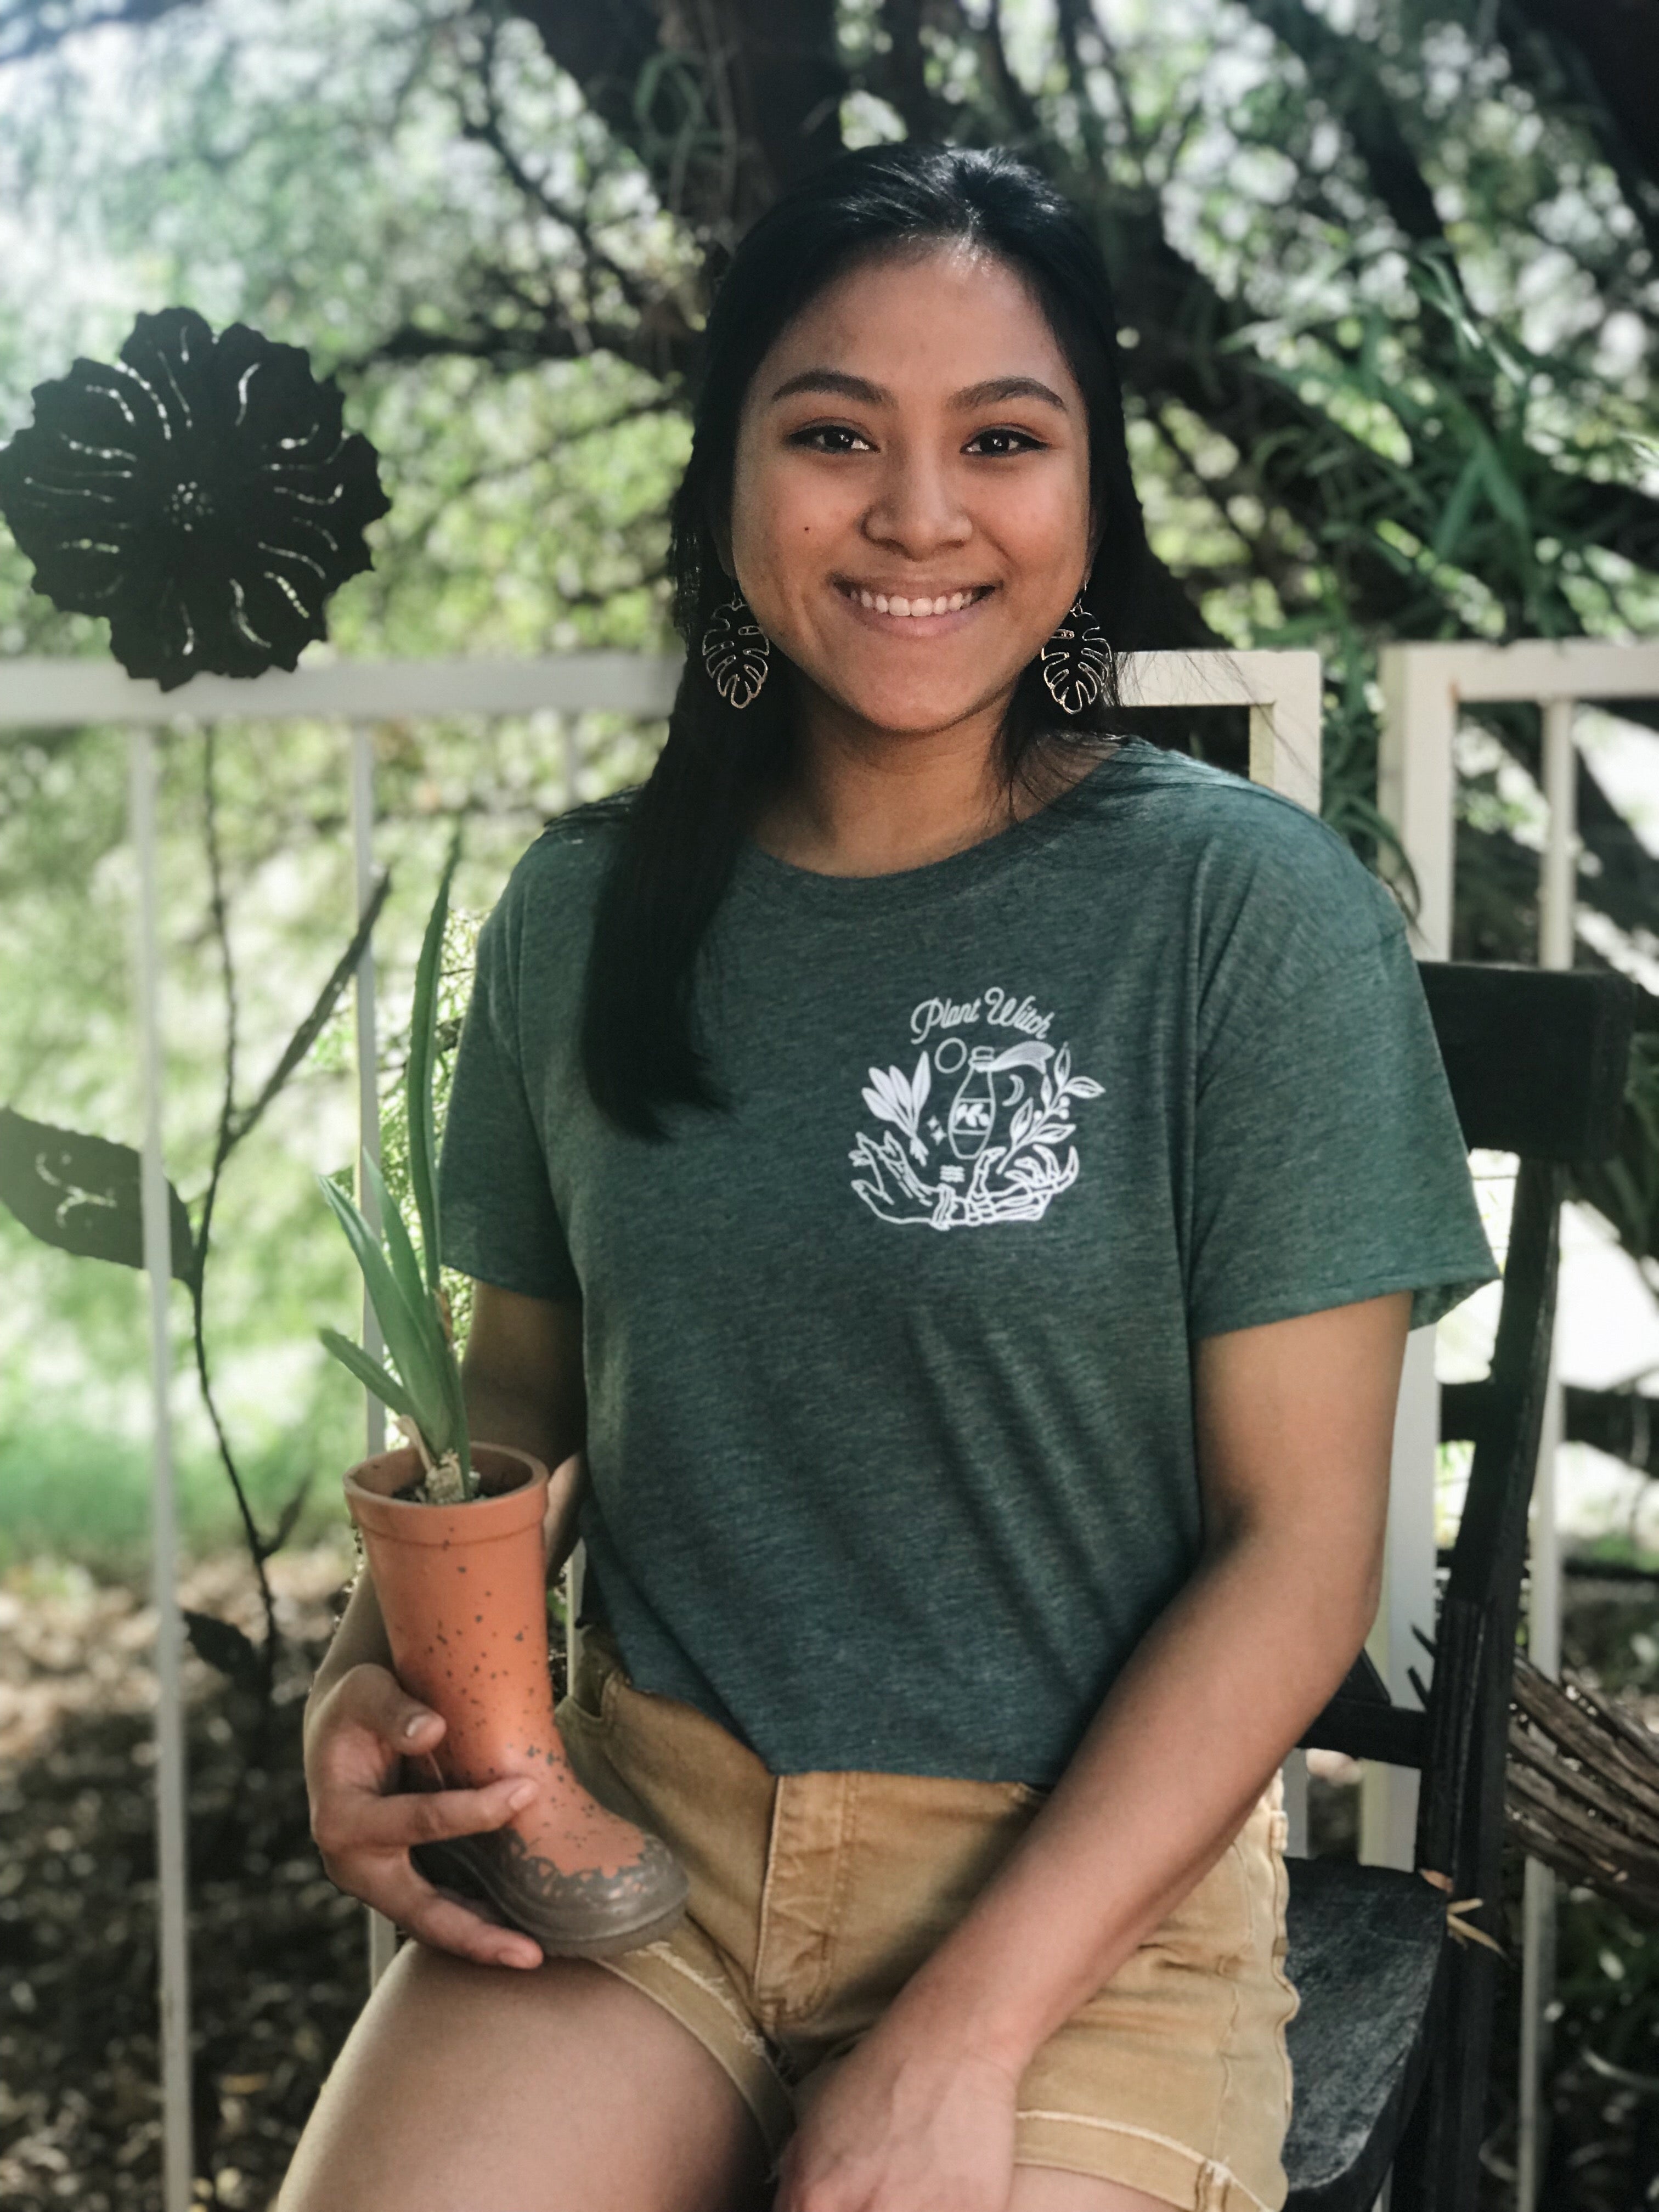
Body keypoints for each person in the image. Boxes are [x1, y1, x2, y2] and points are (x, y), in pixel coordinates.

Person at [279, 144, 1498, 2212]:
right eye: (835, 432)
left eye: (1002, 440)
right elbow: (510, 1423)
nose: (920, 513)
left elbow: (1300, 1548)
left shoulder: (1242, 914)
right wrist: (360, 1690)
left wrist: (962, 2037)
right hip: (641, 1857)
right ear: (727, 484)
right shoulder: (584, 917)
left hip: (1086, 1918)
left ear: (1086, 492)